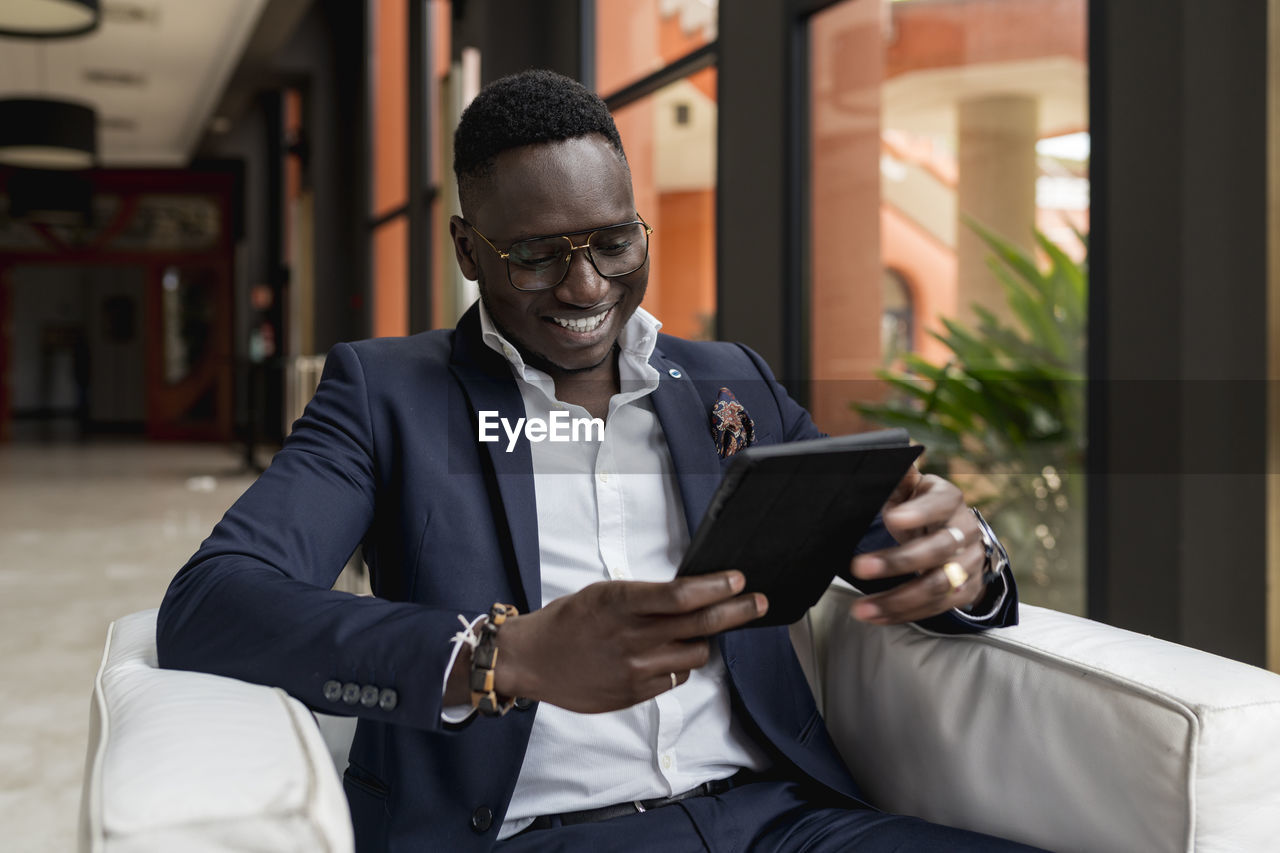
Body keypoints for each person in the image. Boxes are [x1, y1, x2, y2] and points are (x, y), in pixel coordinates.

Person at [157, 69, 1041, 853]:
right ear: (470, 251)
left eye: (615, 243)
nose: (586, 288)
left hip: (782, 818)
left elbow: (894, 538)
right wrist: (500, 657)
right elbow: (212, 602)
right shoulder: (383, 394)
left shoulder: (731, 384)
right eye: (537, 256)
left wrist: (968, 560)